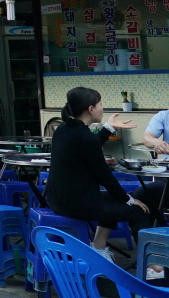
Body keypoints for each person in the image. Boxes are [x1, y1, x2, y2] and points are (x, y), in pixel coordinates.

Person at [47, 86, 165, 276]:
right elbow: (105, 176)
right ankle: (153, 267)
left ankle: (99, 248)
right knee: (138, 210)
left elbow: (88, 148)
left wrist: (109, 127)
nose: (103, 108)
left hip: (59, 199)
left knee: (118, 202)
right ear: (91, 109)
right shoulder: (84, 137)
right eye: (100, 104)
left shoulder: (63, 130)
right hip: (76, 204)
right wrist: (128, 199)